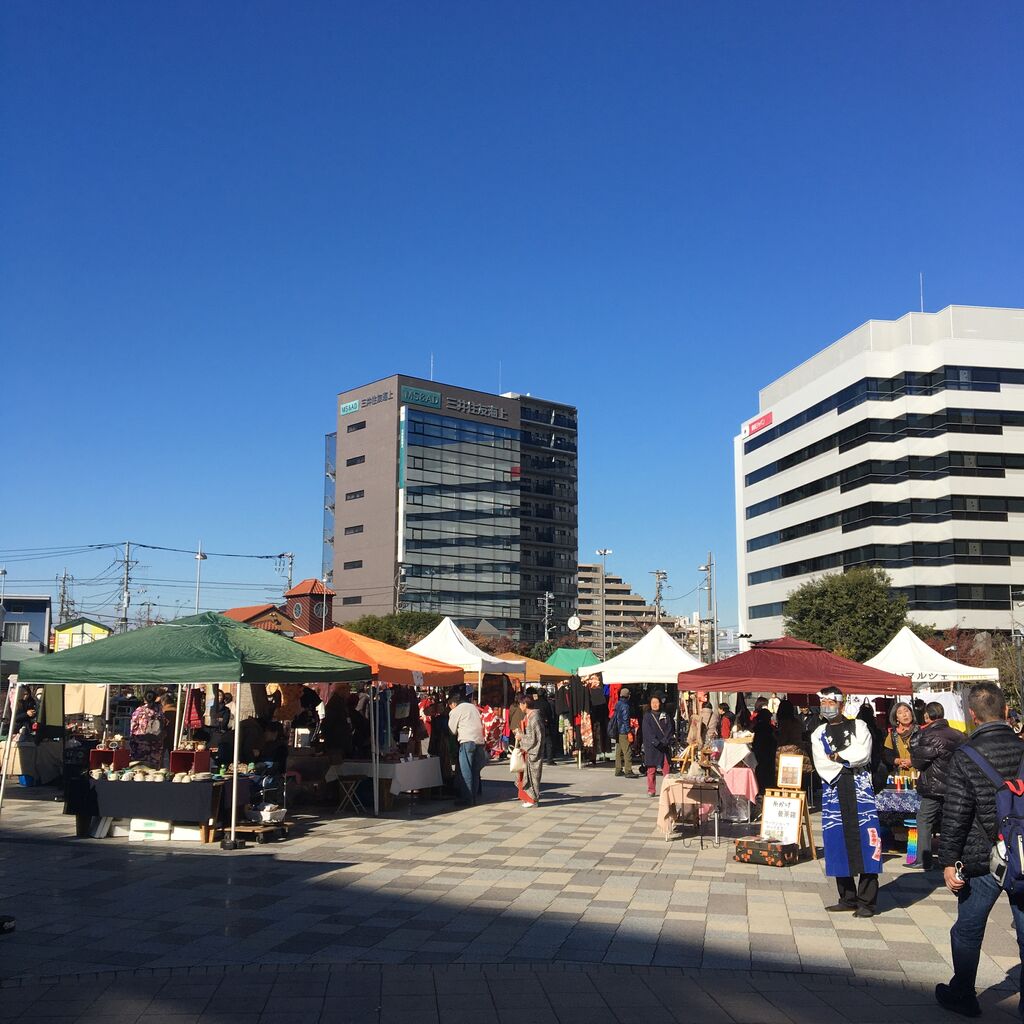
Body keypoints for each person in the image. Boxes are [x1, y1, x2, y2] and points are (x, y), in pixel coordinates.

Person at [936, 682, 1024, 1018]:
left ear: (972, 715)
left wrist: (949, 862)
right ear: (1006, 711)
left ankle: (963, 994)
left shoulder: (966, 755)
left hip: (982, 856)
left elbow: (956, 814)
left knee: (968, 929)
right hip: (1023, 855)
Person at [810, 686, 882, 918]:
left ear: (841, 704)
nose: (827, 707)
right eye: (823, 702)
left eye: (831, 702)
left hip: (860, 791)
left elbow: (863, 753)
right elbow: (821, 762)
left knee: (867, 842)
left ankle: (867, 902)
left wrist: (839, 757)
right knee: (837, 841)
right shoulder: (818, 732)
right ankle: (847, 897)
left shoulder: (859, 726)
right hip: (834, 790)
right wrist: (844, 760)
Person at [909, 701, 963, 871]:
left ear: (927, 716)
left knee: (924, 819)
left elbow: (918, 762)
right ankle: (953, 859)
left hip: (933, 785)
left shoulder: (928, 735)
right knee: (952, 820)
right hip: (955, 785)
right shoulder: (959, 735)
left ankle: (923, 859)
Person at [447, 692, 487, 806]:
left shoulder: (456, 710)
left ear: (453, 703)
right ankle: (473, 797)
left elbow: (452, 730)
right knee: (475, 771)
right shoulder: (473, 707)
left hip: (467, 741)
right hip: (479, 741)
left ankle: (467, 798)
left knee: (466, 771)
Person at [642, 694, 675, 798]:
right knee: (651, 769)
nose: (655, 705)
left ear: (660, 703)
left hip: (664, 746)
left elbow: (670, 728)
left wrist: (665, 740)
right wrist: (656, 742)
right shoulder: (647, 716)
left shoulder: (665, 715)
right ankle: (651, 790)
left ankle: (667, 789)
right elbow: (647, 732)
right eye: (653, 703)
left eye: (656, 702)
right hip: (652, 747)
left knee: (666, 767)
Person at [519, 691, 545, 807]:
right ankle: (528, 798)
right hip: (529, 749)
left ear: (525, 704)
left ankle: (532, 799)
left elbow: (535, 737)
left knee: (533, 776)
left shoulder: (535, 718)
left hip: (534, 751)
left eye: (521, 704)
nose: (520, 706)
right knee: (527, 775)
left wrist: (521, 737)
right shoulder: (529, 716)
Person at [128, 690, 165, 768]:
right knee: (153, 767)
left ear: (144, 699)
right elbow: (163, 723)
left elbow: (133, 726)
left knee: (139, 766)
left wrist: (132, 740)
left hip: (141, 742)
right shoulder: (159, 710)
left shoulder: (139, 710)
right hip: (155, 742)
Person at [882, 700, 918, 775]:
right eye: (900, 713)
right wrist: (898, 761)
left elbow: (927, 754)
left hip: (918, 774)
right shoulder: (893, 734)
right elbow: (886, 755)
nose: (904, 715)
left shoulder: (921, 731)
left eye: (906, 711)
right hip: (900, 775)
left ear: (911, 713)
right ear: (896, 718)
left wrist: (913, 762)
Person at [751, 697, 777, 794]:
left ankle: (760, 789)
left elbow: (755, 742)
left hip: (759, 753)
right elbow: (773, 740)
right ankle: (768, 789)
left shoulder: (757, 728)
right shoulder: (769, 728)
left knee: (760, 772)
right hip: (769, 754)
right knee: (768, 772)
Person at [610, 688, 637, 778]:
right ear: (628, 696)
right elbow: (625, 720)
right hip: (623, 731)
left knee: (618, 751)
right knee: (627, 751)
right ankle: (628, 770)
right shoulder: (625, 706)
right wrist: (629, 732)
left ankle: (618, 769)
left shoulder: (618, 703)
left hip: (617, 730)